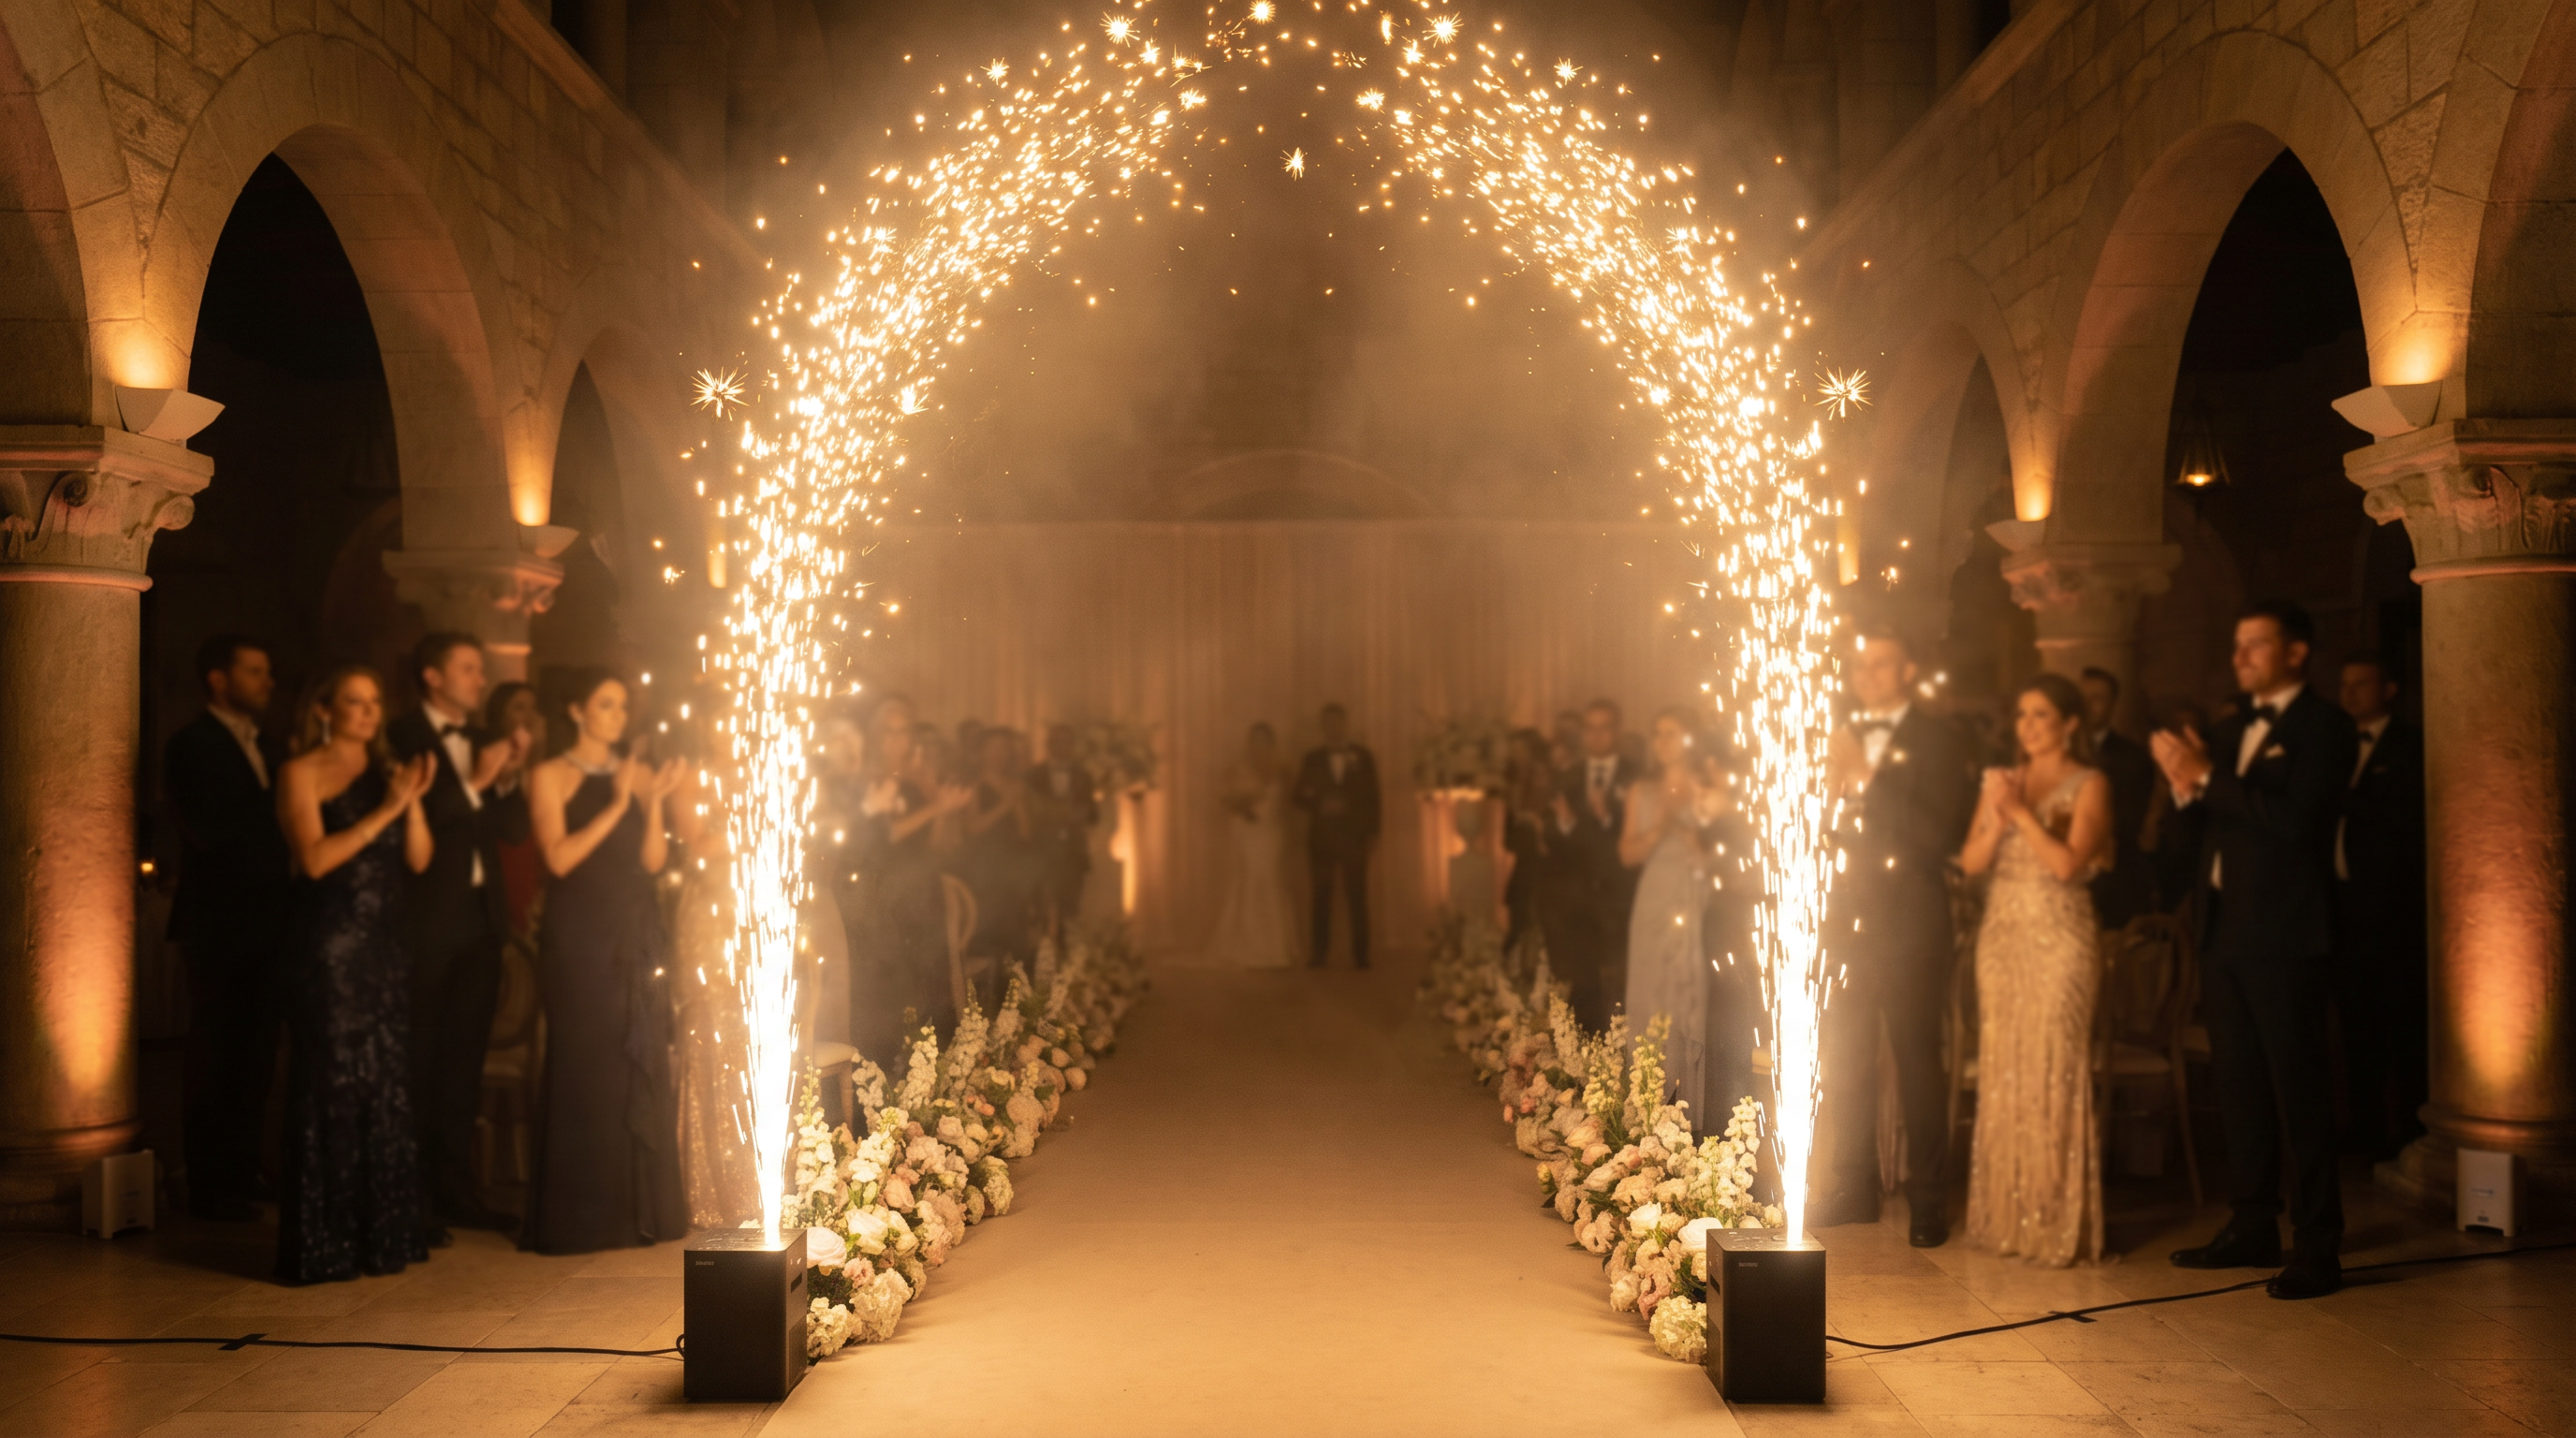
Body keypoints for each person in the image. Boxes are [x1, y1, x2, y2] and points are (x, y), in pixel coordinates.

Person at [2153, 600, 2357, 1299]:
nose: (2239, 658)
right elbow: (2198, 837)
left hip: (2285, 932)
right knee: (2238, 1084)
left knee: (2298, 1085)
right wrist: (2183, 790)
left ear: (2297, 652)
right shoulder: (2228, 727)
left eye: (2255, 645)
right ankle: (2251, 1223)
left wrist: (2210, 778)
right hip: (2222, 929)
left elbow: (2298, 823)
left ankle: (2318, 1242)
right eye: (2236, 646)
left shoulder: (2325, 727)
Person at [271, 665, 437, 1284]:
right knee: (330, 1085)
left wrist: (410, 804)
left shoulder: (388, 775)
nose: (368, 712)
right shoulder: (300, 773)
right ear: (324, 709)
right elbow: (313, 860)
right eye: (354, 701)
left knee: (383, 1085)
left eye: (374, 702)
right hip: (328, 949)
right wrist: (385, 811)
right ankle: (325, 1242)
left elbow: (419, 859)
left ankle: (382, 1236)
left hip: (385, 947)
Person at [524, 668, 690, 1254]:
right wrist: (617, 802)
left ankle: (640, 1214)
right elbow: (559, 859)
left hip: (637, 931)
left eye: (623, 707)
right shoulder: (549, 775)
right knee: (586, 1067)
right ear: (576, 711)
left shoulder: (638, 773)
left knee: (635, 1065)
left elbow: (650, 862)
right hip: (581, 940)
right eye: (606, 704)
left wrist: (653, 803)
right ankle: (581, 1219)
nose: (618, 717)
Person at [1818, 630, 1975, 1246]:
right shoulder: (1845, 732)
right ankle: (1851, 1185)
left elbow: (1932, 836)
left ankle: (1929, 1198)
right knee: (1847, 1056)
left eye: (1880, 665)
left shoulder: (1939, 739)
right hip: (1846, 918)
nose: (1868, 676)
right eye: (1859, 667)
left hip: (1910, 917)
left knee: (1915, 1057)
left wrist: (1864, 776)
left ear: (1907, 669)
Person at [1957, 673, 2113, 1266]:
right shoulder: (2001, 780)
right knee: (2007, 1069)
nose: (2027, 726)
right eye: (2022, 714)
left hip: (2061, 939)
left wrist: (2020, 811)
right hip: (2002, 937)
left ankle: (2054, 1220)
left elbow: (2069, 864)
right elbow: (1972, 860)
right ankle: (2008, 1217)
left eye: (2041, 714)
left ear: (2069, 723)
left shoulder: (2091, 783)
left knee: (2054, 1065)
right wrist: (1998, 813)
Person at [388, 633, 522, 1233]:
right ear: (433, 676)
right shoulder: (400, 736)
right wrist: (473, 782)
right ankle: (409, 1197)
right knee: (418, 1058)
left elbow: (514, 830)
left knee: (464, 1062)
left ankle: (456, 1190)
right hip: (424, 924)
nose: (480, 678)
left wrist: (505, 779)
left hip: (479, 924)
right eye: (468, 668)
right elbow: (419, 824)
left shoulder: (481, 742)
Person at [162, 634, 293, 1221]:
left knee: (258, 1052)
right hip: (218, 921)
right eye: (255, 671)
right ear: (219, 679)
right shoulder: (190, 746)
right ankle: (210, 1184)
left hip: (271, 920)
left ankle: (245, 1166)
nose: (268, 682)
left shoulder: (270, 743)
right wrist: (278, 796)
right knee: (216, 1052)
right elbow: (209, 828)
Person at [2332, 652, 2427, 1159]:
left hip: (2393, 911)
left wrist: (2343, 797)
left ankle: (2413, 1130)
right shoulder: (2334, 746)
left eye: (2361, 684)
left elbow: (2403, 821)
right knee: (2356, 1026)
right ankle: (2364, 1130)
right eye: (2344, 685)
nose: (2350, 694)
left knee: (2403, 1025)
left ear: (2388, 689)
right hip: (2343, 909)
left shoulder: (2410, 745)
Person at [849, 697, 971, 1063]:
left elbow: (935, 845)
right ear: (875, 736)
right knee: (895, 991)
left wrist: (938, 802)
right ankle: (891, 1078)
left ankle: (935, 1080)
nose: (896, 741)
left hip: (922, 890)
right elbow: (882, 836)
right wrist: (937, 807)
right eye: (888, 732)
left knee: (932, 984)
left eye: (903, 732)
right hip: (884, 897)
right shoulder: (864, 779)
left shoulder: (916, 781)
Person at [1621, 708, 1720, 1122]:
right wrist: (1661, 823)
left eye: (1672, 734)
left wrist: (1696, 841)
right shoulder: (1642, 791)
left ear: (1690, 739)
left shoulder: (1709, 787)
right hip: (1653, 900)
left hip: (1694, 900)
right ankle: (1644, 1114)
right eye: (1657, 734)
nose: (1662, 742)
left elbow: (1722, 861)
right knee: (1649, 999)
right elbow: (1627, 854)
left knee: (1685, 1000)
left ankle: (1683, 1120)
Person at [1547, 699, 1642, 1028]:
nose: (1597, 736)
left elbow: (1639, 836)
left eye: (1605, 728)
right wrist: (1566, 823)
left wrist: (1605, 820)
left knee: (1619, 978)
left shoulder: (1635, 776)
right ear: (1584, 734)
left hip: (1620, 894)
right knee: (1583, 978)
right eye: (1591, 728)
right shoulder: (1569, 777)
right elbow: (1553, 838)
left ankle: (1620, 1051)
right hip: (1578, 896)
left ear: (1616, 731)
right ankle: (1586, 1054)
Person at [1292, 702, 1381, 969]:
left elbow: (1373, 798)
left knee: (1357, 897)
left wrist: (1374, 832)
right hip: (1322, 838)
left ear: (1345, 724)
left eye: (1337, 722)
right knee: (1321, 897)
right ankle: (1319, 954)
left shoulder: (1364, 757)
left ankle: (1361, 955)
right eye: (1327, 723)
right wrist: (1319, 804)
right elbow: (1297, 796)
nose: (1332, 728)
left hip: (1354, 837)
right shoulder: (1312, 758)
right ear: (1322, 727)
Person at [1208, 722, 1302, 967]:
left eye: (1264, 739)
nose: (1259, 744)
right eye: (1255, 739)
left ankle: (1275, 947)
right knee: (1247, 880)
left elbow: (1292, 802)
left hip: (1271, 831)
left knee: (1269, 880)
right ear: (1249, 742)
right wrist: (1241, 806)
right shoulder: (1238, 769)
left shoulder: (1283, 769)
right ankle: (1246, 945)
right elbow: (1224, 799)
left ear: (1271, 742)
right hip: (1245, 830)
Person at [2078, 667, 2157, 929]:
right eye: (2082, 697)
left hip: (2113, 879)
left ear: (2113, 704)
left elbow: (2127, 822)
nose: (2088, 706)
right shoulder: (2057, 752)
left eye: (2097, 698)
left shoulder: (2131, 757)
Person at [960, 727, 1041, 971]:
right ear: (983, 751)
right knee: (990, 930)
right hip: (985, 869)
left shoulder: (1017, 785)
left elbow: (1026, 832)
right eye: (994, 746)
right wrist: (1006, 805)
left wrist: (1017, 805)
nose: (1000, 753)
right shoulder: (975, 786)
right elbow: (972, 827)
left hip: (1014, 868)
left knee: (1018, 932)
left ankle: (1022, 999)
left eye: (1005, 747)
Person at [480, 680, 547, 942]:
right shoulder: (488, 757)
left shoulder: (545, 765)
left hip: (536, 858)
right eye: (519, 708)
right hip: (504, 855)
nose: (529, 716)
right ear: (500, 715)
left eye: (533, 708)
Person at [1029, 724, 1100, 925]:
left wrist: (1080, 814)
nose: (1063, 747)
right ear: (1048, 745)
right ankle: (1043, 953)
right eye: (1057, 742)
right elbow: (1027, 813)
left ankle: (1069, 952)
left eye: (1067, 742)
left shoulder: (1083, 776)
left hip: (1073, 850)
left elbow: (1094, 814)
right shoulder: (1033, 775)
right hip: (1041, 850)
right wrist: (1054, 813)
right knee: (1041, 906)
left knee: (1071, 907)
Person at [1500, 728, 1558, 959]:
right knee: (1518, 929)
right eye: (1513, 751)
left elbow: (1556, 838)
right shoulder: (1515, 790)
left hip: (1549, 873)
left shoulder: (1551, 783)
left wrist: (1534, 822)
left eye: (1521, 751)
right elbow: (1509, 842)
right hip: (1526, 869)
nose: (1517, 757)